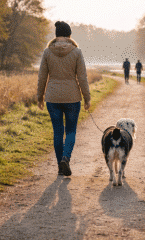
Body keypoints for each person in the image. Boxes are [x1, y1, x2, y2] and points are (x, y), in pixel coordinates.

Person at [37, 21, 90, 177]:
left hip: (52, 98)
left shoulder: (47, 52)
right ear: (69, 35)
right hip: (72, 97)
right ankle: (66, 158)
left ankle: (60, 166)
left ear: (56, 35)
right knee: (71, 130)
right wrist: (87, 98)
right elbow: (82, 77)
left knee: (58, 132)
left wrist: (40, 96)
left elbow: (42, 77)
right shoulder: (77, 52)